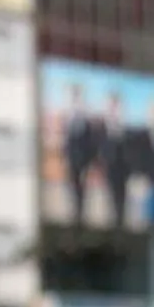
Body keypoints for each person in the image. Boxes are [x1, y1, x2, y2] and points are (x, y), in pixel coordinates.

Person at [61, 84, 96, 225]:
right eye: (75, 97)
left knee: (82, 188)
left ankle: (80, 213)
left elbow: (90, 141)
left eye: (78, 97)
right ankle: (74, 212)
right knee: (72, 185)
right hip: (71, 158)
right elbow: (66, 140)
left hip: (83, 159)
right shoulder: (68, 117)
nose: (77, 100)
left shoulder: (85, 119)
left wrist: (89, 160)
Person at [133, 97, 154, 227]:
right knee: (146, 217)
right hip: (147, 180)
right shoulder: (142, 134)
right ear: (148, 114)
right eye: (153, 112)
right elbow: (138, 157)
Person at [99, 91, 130, 227]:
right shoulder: (102, 129)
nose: (114, 110)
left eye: (116, 106)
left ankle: (120, 223)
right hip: (109, 170)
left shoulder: (125, 131)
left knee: (121, 202)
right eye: (112, 106)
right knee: (110, 201)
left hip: (122, 172)